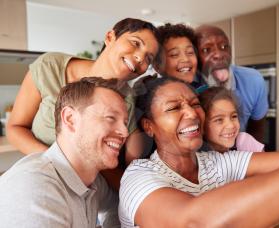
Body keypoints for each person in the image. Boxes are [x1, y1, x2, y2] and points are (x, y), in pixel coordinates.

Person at [119, 76, 279, 227]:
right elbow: (193, 222)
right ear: (149, 126)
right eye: (174, 107)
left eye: (195, 104)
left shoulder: (216, 162)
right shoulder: (138, 177)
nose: (191, 113)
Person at [6, 18, 159, 163]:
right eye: (136, 43)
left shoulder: (127, 99)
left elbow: (124, 162)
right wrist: (57, 162)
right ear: (110, 37)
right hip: (40, 171)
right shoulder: (50, 67)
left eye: (148, 58)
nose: (140, 57)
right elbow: (15, 129)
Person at [0, 77, 129, 227]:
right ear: (70, 119)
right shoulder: (35, 188)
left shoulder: (94, 182)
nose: (125, 132)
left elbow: (116, 207)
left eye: (125, 123)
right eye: (110, 118)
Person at [195, 25, 268, 142]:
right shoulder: (189, 87)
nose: (219, 54)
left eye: (224, 47)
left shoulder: (253, 80)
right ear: (195, 56)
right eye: (206, 50)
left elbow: (257, 129)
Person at [198, 86, 264, 153]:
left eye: (234, 116)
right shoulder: (197, 154)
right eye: (219, 120)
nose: (231, 125)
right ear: (202, 126)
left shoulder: (244, 142)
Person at [154, 23, 207, 91]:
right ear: (157, 66)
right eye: (174, 54)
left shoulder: (205, 91)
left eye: (190, 52)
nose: (185, 59)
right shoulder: (153, 98)